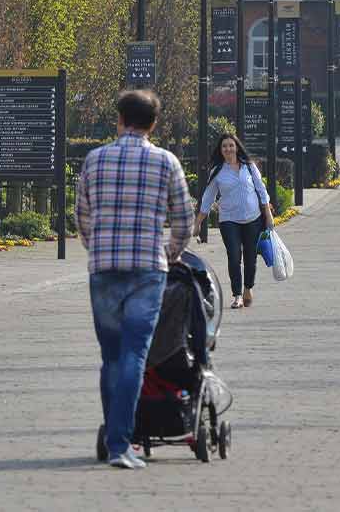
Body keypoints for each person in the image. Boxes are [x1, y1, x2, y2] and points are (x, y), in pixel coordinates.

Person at [76, 90, 193, 470]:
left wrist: (98, 248)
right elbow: (184, 219)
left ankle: (116, 439)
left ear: (120, 119)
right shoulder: (166, 162)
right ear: (153, 123)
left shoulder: (95, 160)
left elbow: (82, 214)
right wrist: (170, 254)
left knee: (110, 357)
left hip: (105, 269)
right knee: (134, 355)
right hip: (146, 269)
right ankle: (120, 444)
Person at [197, 133, 272, 310]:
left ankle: (248, 288)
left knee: (250, 257)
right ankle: (237, 295)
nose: (228, 149)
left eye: (231, 145)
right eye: (224, 146)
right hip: (229, 219)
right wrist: (198, 222)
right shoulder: (217, 171)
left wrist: (268, 215)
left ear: (237, 147)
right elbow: (208, 198)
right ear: (220, 150)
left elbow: (261, 191)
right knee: (234, 256)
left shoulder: (249, 167)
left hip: (253, 218)